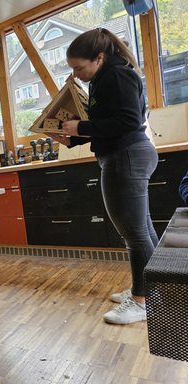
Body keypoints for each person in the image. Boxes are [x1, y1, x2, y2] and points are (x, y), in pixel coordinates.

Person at [49, 28, 158, 325]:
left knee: (134, 233)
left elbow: (128, 120)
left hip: (126, 155)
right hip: (124, 154)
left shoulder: (117, 75)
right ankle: (147, 290)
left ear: (98, 58)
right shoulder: (103, 78)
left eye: (79, 67)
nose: (75, 75)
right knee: (141, 230)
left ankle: (142, 300)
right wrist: (66, 136)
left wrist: (80, 129)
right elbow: (104, 125)